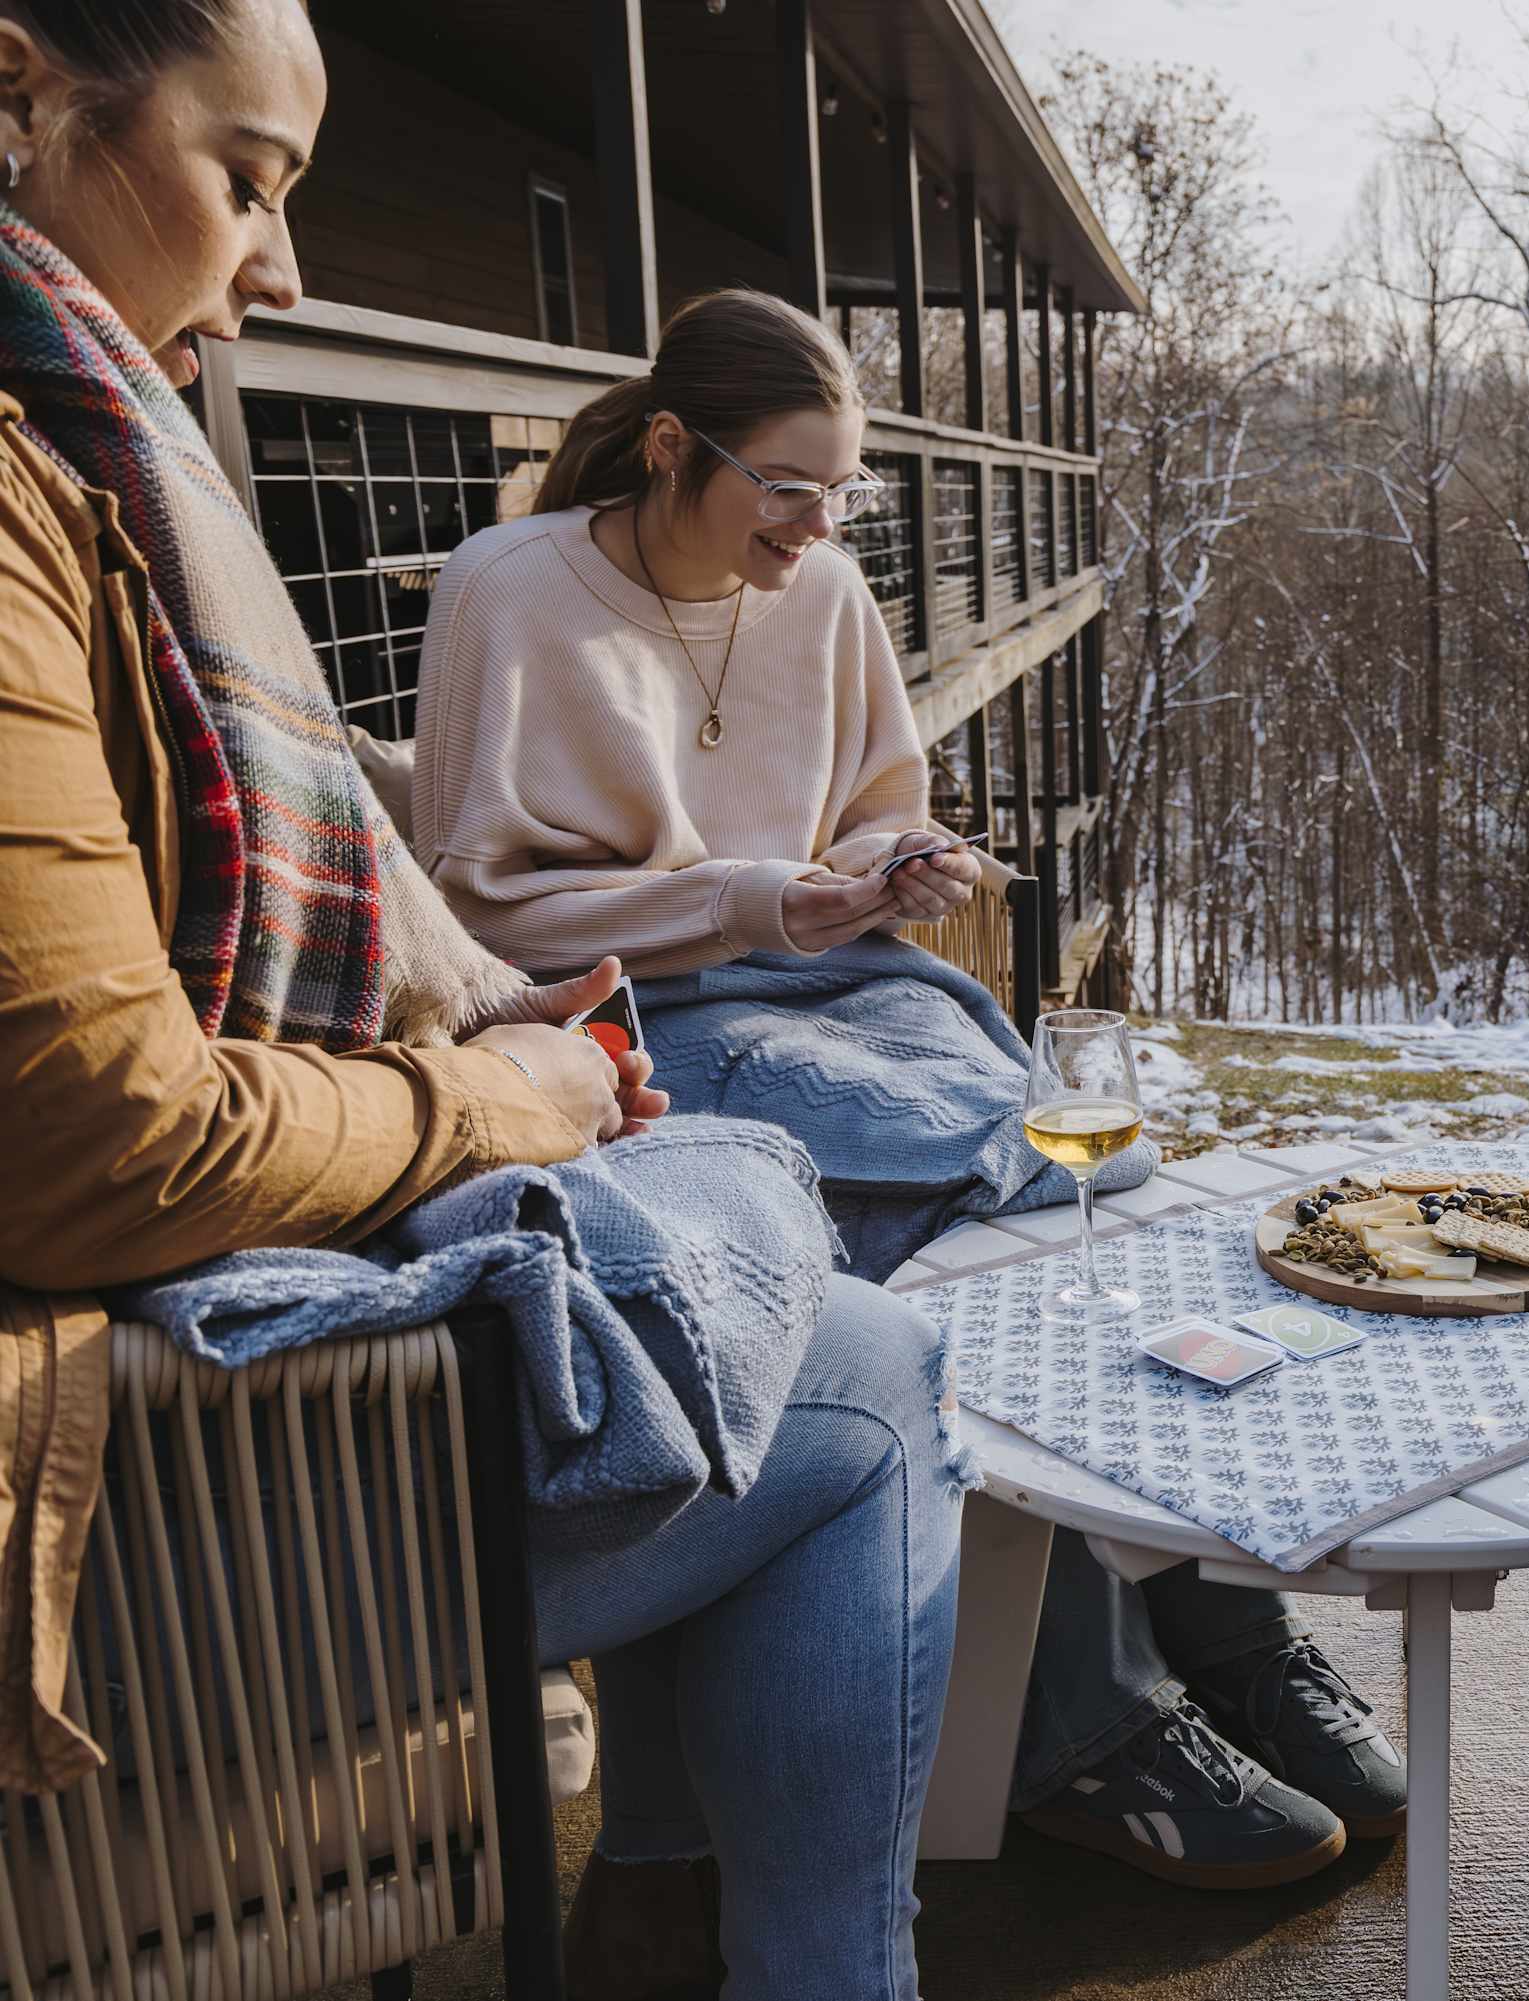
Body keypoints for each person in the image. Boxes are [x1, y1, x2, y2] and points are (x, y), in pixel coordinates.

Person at [0, 3, 964, 1996]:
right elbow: (106, 1141)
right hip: (117, 1489)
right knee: (865, 1376)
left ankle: (671, 1883)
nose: (281, 271)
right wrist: (502, 1095)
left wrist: (857, 886)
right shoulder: (45, 506)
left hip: (212, 1320)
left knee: (900, 1159)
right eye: (246, 181)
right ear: (26, 92)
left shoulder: (85, 468)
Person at [408, 289, 1406, 1903]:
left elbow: (877, 801)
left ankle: (1226, 1621)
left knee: (1097, 1179)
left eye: (842, 493)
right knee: (940, 1205)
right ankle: (1086, 1721)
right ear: (670, 447)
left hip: (846, 977)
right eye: (785, 489)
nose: (817, 529)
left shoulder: (820, 587)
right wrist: (751, 898)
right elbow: (484, 908)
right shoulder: (510, 589)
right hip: (645, 1015)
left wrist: (897, 863)